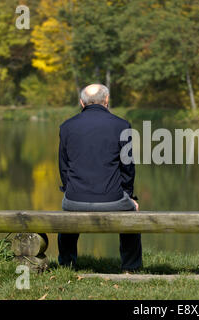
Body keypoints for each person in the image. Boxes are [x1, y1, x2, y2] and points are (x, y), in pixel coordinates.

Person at [58, 84, 141, 272]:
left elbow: (63, 167)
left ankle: (66, 263)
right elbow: (127, 168)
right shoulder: (122, 125)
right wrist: (128, 195)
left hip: (74, 200)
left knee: (68, 214)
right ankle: (130, 266)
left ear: (81, 102)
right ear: (107, 100)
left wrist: (70, 190)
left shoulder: (67, 127)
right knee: (132, 214)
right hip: (112, 199)